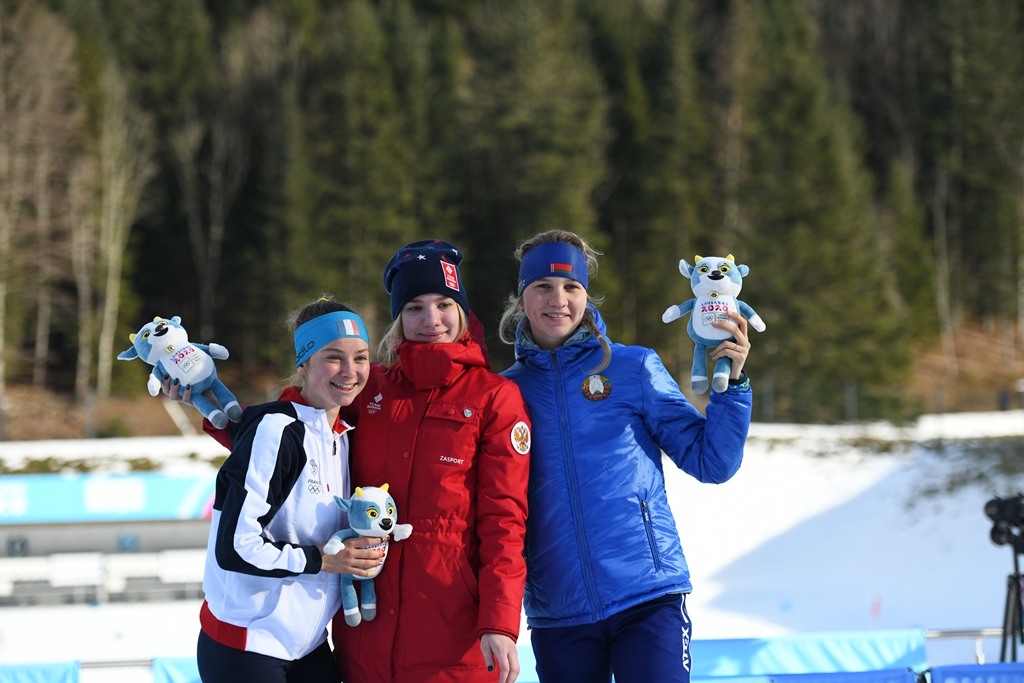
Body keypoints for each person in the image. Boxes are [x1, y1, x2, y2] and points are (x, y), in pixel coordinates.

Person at [497, 230, 753, 683]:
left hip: (647, 597)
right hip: (559, 612)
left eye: (571, 286)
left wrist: (731, 384)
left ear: (586, 295)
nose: (558, 300)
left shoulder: (633, 367)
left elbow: (711, 461)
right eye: (543, 287)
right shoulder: (503, 392)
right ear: (521, 299)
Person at [331, 239, 531, 683]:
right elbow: (292, 438)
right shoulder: (368, 388)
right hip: (364, 636)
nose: (431, 320)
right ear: (398, 319)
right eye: (414, 308)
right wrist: (216, 406)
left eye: (443, 304)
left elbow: (504, 520)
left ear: (461, 311)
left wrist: (499, 622)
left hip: (453, 638)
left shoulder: (495, 398)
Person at [196, 296, 386, 683]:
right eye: (333, 357)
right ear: (303, 364)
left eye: (361, 358)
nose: (349, 371)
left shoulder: (343, 437)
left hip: (309, 646)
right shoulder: (276, 429)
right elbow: (235, 545)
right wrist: (324, 560)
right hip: (246, 646)